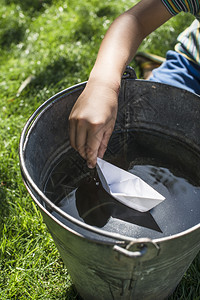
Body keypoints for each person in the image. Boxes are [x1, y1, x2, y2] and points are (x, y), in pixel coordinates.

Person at [69, 0, 200, 169]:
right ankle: (155, 72)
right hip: (192, 66)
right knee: (148, 125)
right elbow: (134, 21)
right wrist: (103, 84)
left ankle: (152, 70)